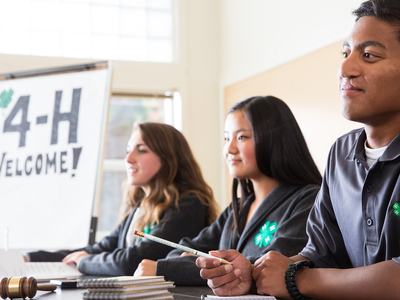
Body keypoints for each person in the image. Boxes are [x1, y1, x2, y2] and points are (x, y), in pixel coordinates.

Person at [222, 1, 400, 299]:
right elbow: (320, 253)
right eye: (345, 53)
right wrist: (255, 275)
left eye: (369, 55)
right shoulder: (341, 154)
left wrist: (297, 281)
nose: (345, 68)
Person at [134, 95, 322, 291]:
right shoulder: (237, 209)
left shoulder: (308, 201)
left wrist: (168, 269)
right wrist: (181, 263)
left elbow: (262, 270)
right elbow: (181, 249)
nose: (229, 148)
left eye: (241, 137)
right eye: (226, 138)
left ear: (274, 139)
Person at [27, 122, 219, 276]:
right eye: (128, 150)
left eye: (141, 150)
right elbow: (98, 249)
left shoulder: (190, 204)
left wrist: (84, 262)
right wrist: (30, 257)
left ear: (169, 158)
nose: (128, 159)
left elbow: (132, 261)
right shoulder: (140, 205)